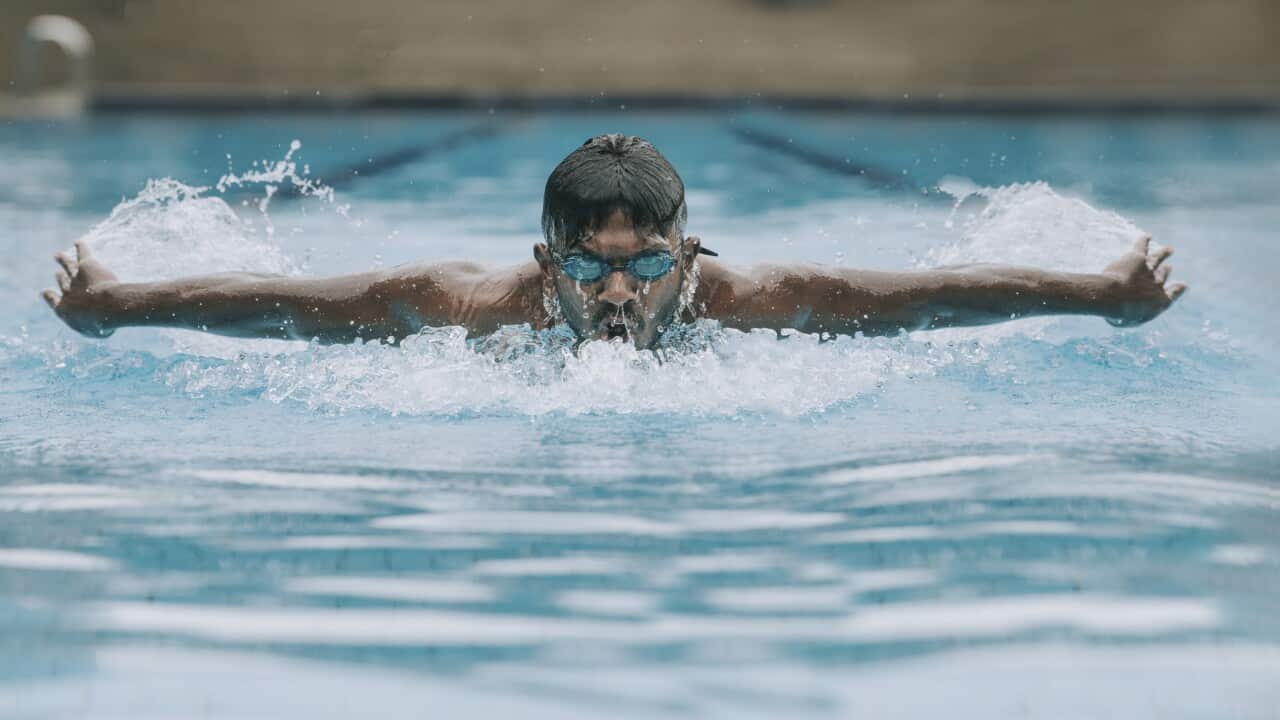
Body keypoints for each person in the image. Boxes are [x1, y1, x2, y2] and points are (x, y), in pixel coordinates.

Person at [43, 133, 1186, 349]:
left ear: (690, 256)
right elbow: (279, 310)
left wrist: (1099, 295)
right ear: (548, 265)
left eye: (645, 266)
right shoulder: (459, 302)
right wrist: (119, 309)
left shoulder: (764, 296)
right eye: (589, 268)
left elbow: (937, 298)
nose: (619, 296)